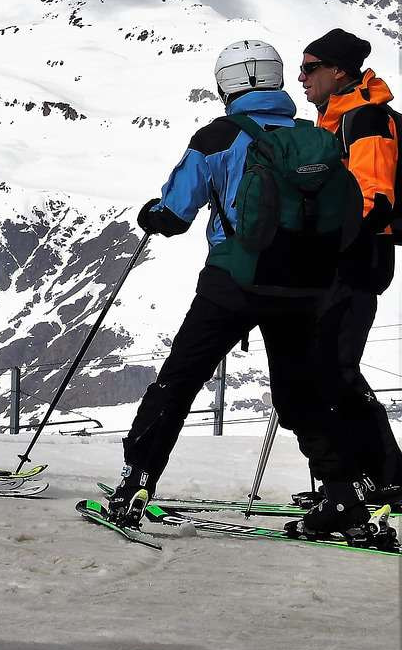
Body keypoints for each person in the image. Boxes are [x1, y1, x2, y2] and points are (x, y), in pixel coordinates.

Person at [111, 40, 377, 543]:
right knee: (302, 391)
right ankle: (342, 494)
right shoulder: (311, 136)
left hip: (234, 279)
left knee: (180, 379)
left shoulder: (218, 135)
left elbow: (175, 214)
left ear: (228, 84)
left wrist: (152, 214)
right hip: (303, 285)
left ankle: (136, 484)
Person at [298, 29, 401, 500]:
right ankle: (374, 476)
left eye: (310, 67)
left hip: (358, 257)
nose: (302, 78)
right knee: (331, 367)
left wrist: (324, 243)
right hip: (350, 257)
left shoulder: (364, 119)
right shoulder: (339, 119)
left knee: (334, 367)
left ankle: (384, 477)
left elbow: (372, 198)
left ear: (338, 70)